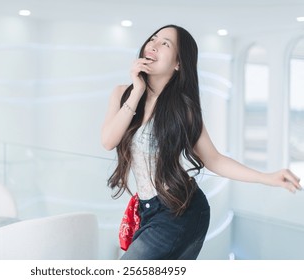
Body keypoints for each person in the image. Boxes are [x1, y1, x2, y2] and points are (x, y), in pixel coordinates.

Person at [101, 24, 301, 260]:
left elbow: (213, 159)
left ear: (178, 63)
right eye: (153, 39)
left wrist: (267, 178)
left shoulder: (181, 110)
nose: (153, 45)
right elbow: (108, 141)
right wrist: (137, 90)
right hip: (147, 211)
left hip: (179, 209)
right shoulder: (123, 93)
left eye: (165, 43)